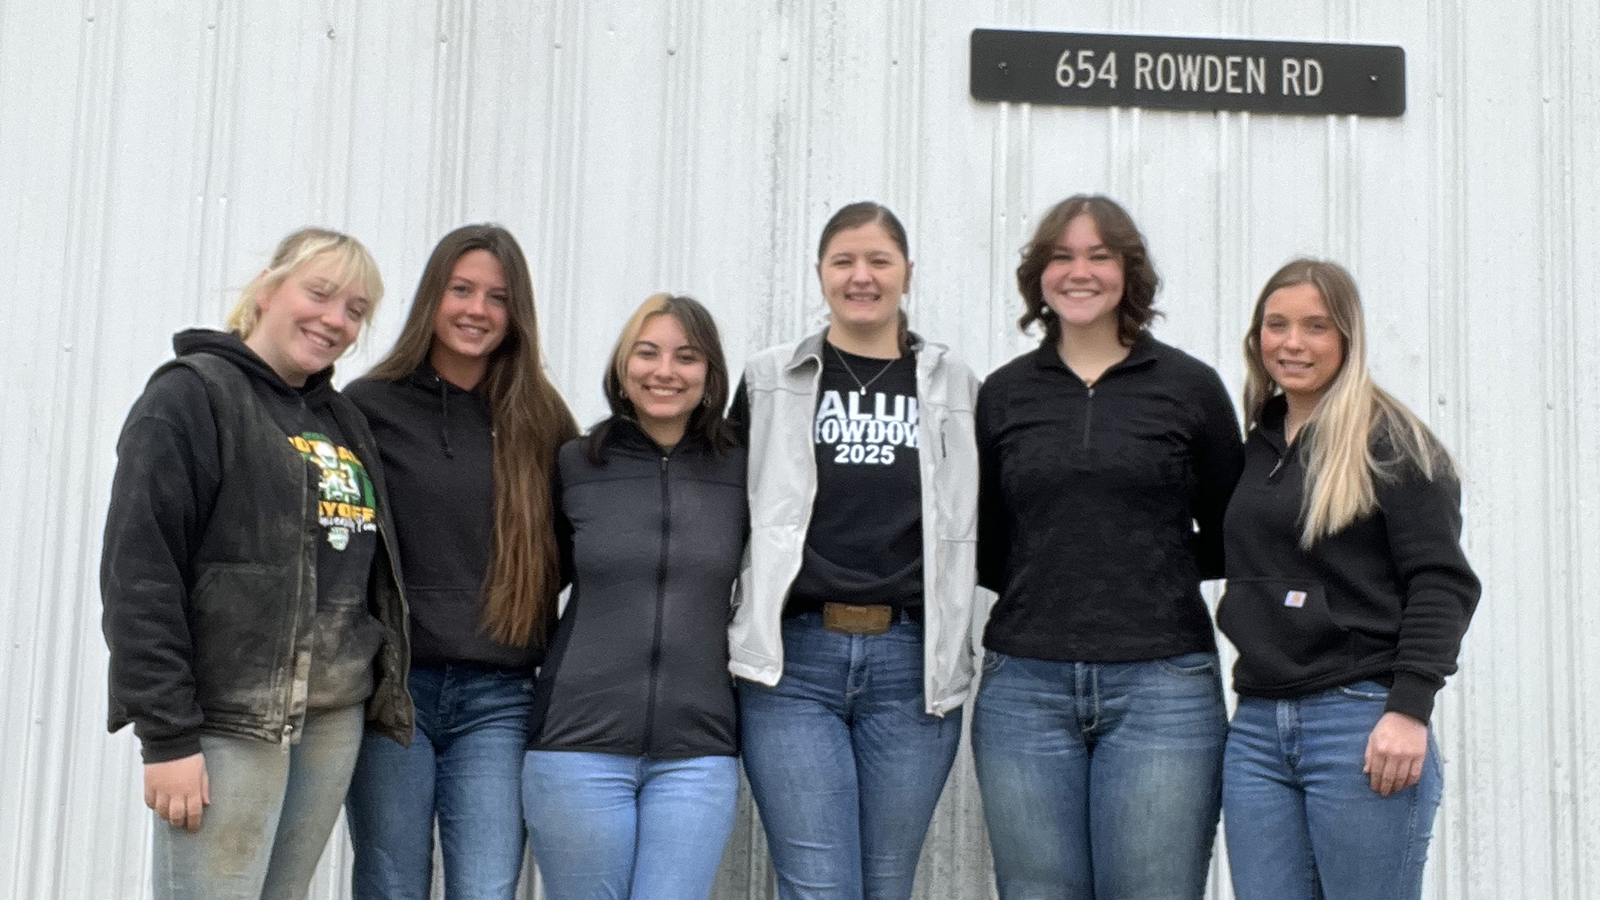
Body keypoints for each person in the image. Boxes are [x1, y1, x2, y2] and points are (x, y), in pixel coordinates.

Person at [100, 227, 411, 900]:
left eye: (355, 309)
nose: (335, 319)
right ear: (268, 289)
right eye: (319, 293)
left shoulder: (342, 420)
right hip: (229, 721)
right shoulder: (190, 397)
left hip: (331, 719)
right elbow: (140, 576)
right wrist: (167, 737)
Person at [972, 194, 1245, 900]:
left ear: (1129, 271)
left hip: (1163, 686)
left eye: (1099, 255)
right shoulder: (1003, 395)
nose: (1080, 272)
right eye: (1061, 256)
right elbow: (985, 541)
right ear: (1039, 275)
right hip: (1024, 686)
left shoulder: (1190, 388)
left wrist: (1149, 566)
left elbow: (1234, 533)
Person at [729, 201, 981, 900]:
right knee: (819, 886)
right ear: (820, 272)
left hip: (911, 666)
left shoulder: (955, 387)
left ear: (907, 273)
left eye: (879, 261)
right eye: (843, 261)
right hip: (793, 665)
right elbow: (725, 512)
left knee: (886, 884)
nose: (860, 276)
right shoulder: (770, 380)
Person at [1217, 258, 1480, 900]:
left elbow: (1442, 583)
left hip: (1359, 722)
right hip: (1257, 727)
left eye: (1316, 326)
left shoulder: (1392, 444)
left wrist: (1409, 709)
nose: (1293, 343)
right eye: (1276, 325)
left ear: (1347, 338)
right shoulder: (1257, 444)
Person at [342, 224, 576, 900]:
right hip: (393, 692)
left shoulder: (542, 418)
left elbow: (568, 547)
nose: (477, 310)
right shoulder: (369, 407)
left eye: (497, 298)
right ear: (432, 298)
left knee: (487, 887)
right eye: (462, 290)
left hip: (499, 698)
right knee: (391, 883)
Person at [521, 294, 746, 900]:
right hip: (576, 745)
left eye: (686, 357)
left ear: (710, 372)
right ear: (623, 367)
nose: (664, 371)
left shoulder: (742, 470)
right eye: (647, 354)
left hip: (698, 753)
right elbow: (536, 580)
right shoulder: (576, 462)